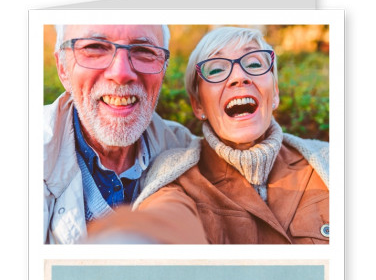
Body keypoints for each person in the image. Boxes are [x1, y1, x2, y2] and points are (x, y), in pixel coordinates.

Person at [87, 26, 329, 244]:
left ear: (274, 92)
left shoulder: (328, 161)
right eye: (216, 69)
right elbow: (165, 219)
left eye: (254, 64)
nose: (239, 77)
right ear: (198, 105)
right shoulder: (177, 177)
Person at [44, 24, 197, 244]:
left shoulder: (186, 152)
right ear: (63, 68)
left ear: (163, 69)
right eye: (95, 47)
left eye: (144, 51)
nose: (121, 73)